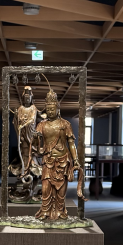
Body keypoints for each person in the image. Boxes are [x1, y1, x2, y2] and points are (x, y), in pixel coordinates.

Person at [34, 88, 81, 220]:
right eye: (48, 109)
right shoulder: (41, 125)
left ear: (57, 109)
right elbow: (36, 145)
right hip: (48, 160)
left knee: (61, 189)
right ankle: (45, 211)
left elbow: (71, 143)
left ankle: (60, 211)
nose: (50, 111)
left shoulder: (65, 124)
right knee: (45, 188)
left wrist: (75, 159)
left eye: (52, 109)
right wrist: (36, 138)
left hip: (63, 160)